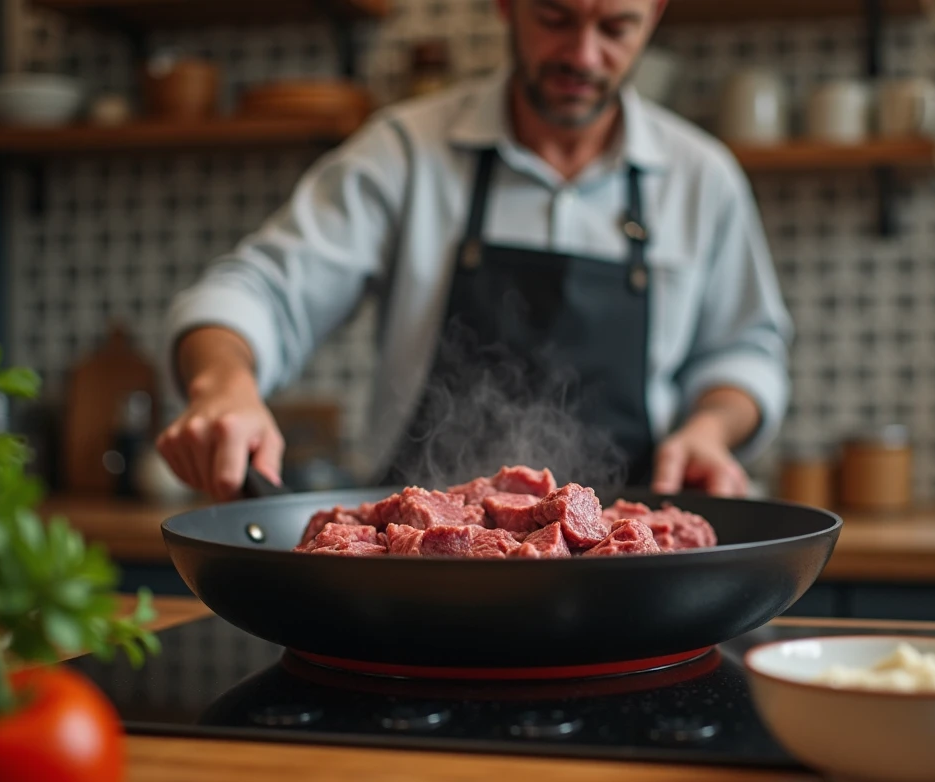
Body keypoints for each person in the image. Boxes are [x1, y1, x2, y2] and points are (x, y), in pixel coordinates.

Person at [157, 0, 793, 501]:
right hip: (418, 577)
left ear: (654, 14)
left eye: (617, 27)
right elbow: (257, 290)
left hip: (633, 571)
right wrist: (224, 384)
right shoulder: (405, 152)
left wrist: (711, 429)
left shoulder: (702, 177)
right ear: (505, 4)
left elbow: (746, 351)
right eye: (555, 17)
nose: (583, 53)